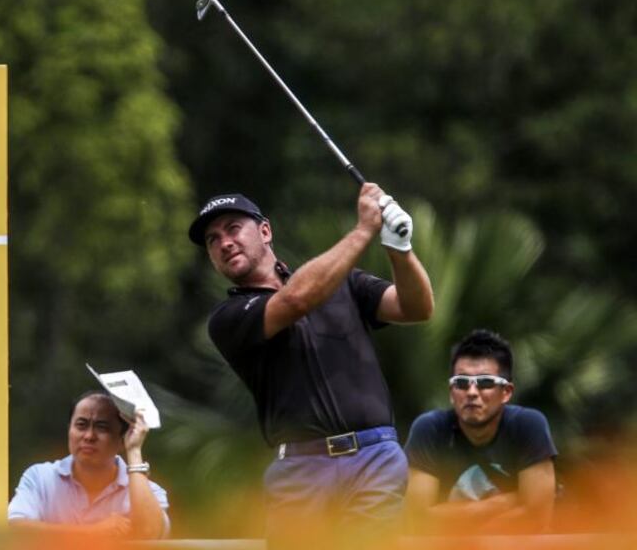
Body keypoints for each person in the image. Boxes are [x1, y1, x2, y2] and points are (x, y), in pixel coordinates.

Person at [188, 185, 434, 544]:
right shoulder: (227, 317)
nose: (224, 242)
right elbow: (296, 300)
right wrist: (364, 230)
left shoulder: (343, 283)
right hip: (301, 470)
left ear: (265, 231)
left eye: (232, 228)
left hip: (374, 457)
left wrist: (400, 250)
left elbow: (416, 308)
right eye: (212, 239)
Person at [403, 329, 558, 534]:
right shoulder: (429, 429)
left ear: (506, 392)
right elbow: (417, 521)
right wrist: (504, 503)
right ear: (451, 393)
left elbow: (537, 519)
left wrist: (451, 521)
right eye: (461, 383)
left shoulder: (528, 425)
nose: (472, 393)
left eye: (485, 383)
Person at [8, 390, 169, 539]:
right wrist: (93, 532)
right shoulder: (40, 478)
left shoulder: (147, 492)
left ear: (122, 439)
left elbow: (151, 533)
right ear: (69, 430)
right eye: (81, 425)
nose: (89, 436)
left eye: (102, 427)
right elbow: (16, 530)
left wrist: (134, 451)